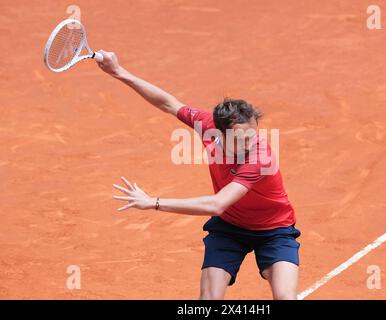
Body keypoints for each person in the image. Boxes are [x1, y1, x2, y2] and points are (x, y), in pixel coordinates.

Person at [99, 50, 300, 300]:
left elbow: (217, 204)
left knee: (285, 298)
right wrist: (119, 72)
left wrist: (154, 202)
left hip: (274, 230)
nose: (251, 141)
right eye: (242, 137)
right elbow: (168, 103)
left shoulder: (260, 157)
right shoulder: (207, 126)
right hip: (230, 228)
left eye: (253, 134)